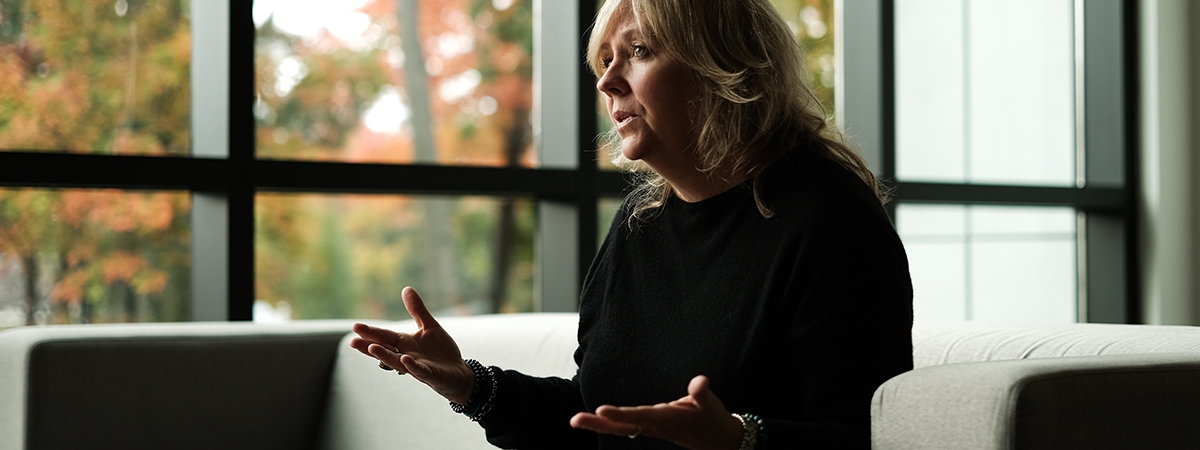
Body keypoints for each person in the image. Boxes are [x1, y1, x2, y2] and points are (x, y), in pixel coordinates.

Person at [349, 0, 913, 448]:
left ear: (724, 65)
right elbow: (596, 418)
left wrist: (741, 440)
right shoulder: (641, 224)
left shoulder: (831, 221)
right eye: (604, 62)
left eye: (638, 51)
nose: (607, 82)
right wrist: (470, 385)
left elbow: (870, 438)